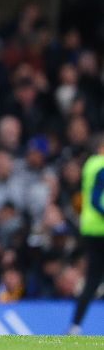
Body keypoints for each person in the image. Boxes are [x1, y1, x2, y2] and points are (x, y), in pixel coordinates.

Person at [68, 134, 104, 335]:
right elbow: (97, 200)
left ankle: (75, 325)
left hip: (90, 228)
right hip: (101, 228)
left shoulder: (90, 164)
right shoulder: (101, 165)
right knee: (93, 279)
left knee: (92, 280)